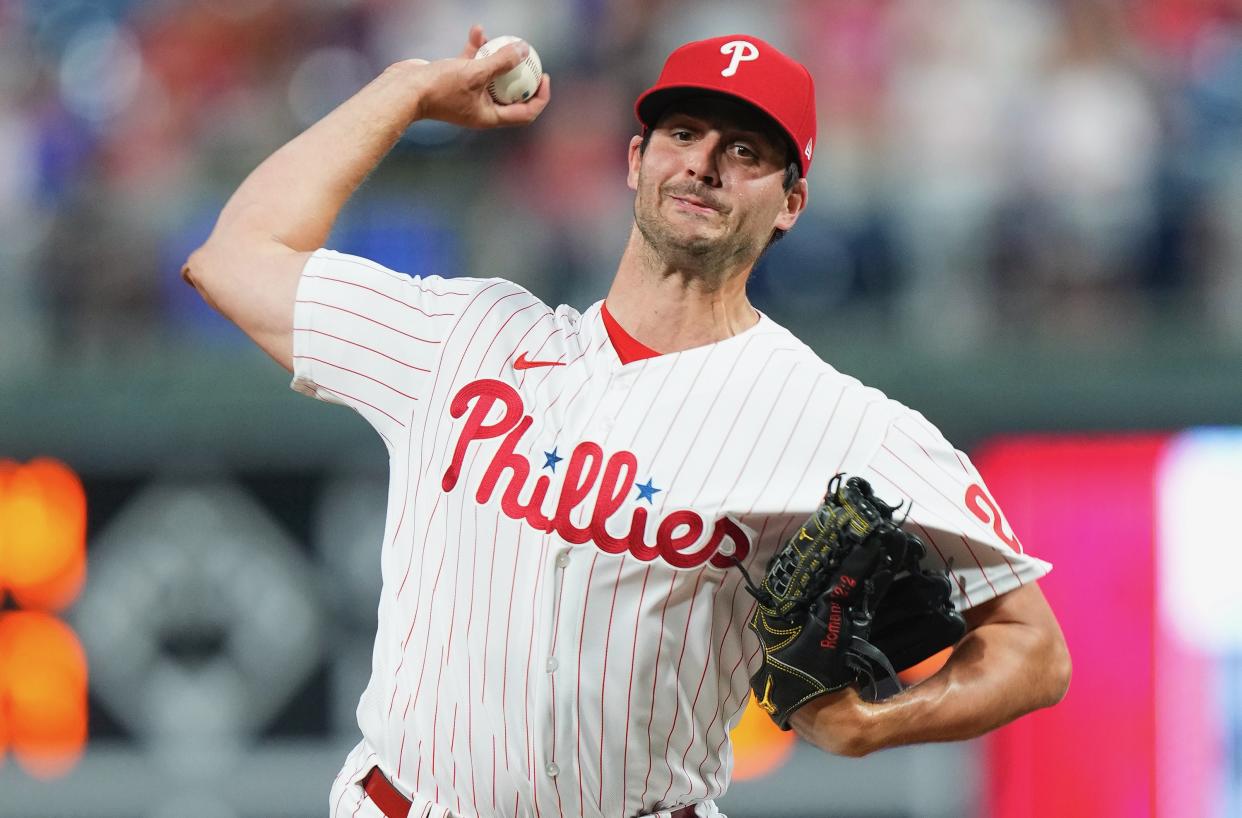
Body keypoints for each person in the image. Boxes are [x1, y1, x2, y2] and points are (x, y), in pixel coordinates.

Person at [182, 27, 1071, 818]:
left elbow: (1035, 652)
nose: (705, 162)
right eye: (683, 134)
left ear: (790, 202)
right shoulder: (463, 336)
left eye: (746, 149)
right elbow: (235, 258)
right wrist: (408, 91)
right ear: (637, 158)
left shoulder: (840, 425)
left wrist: (876, 724)